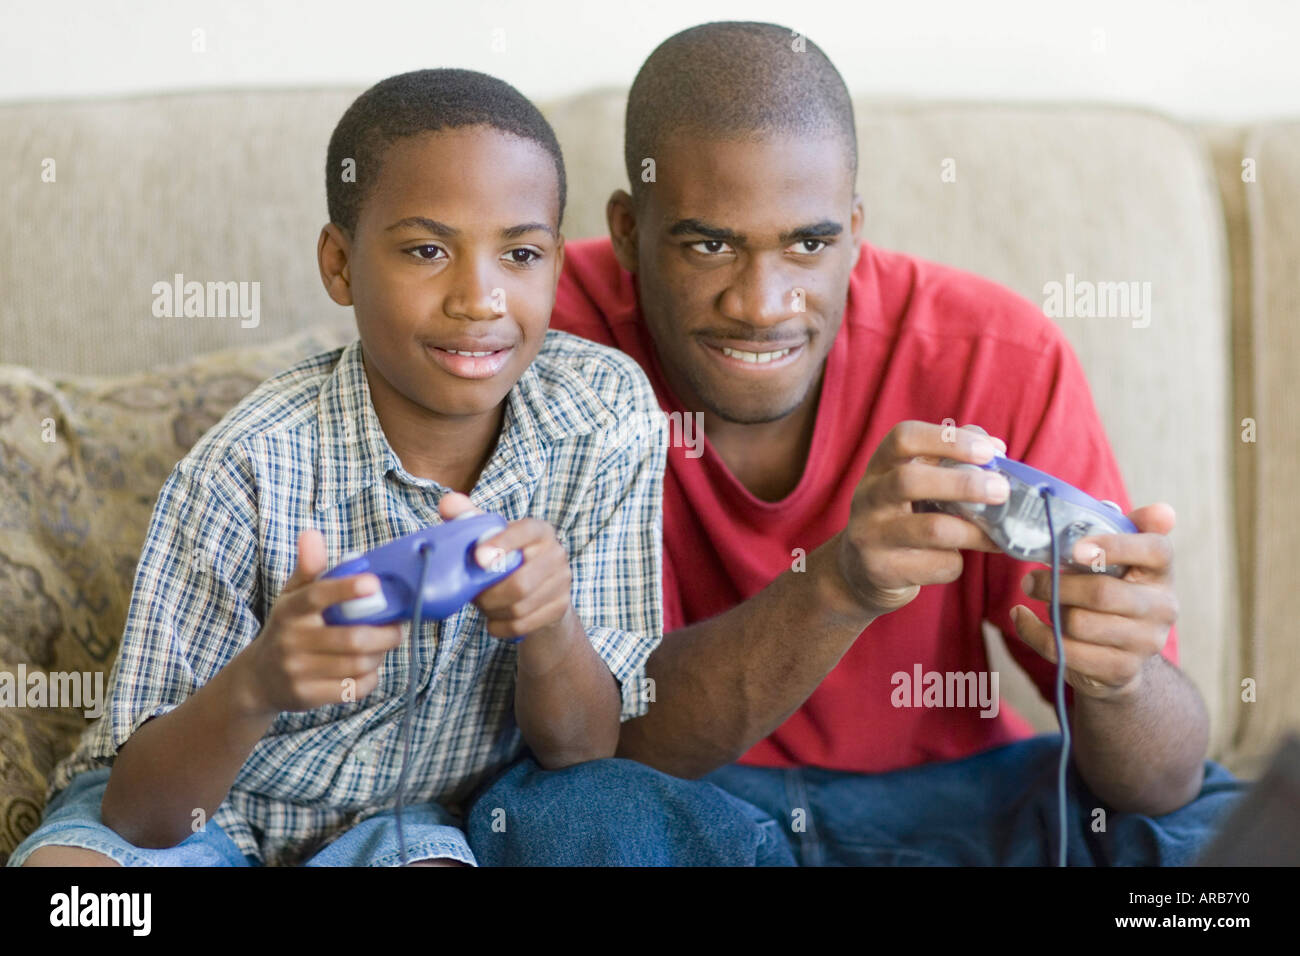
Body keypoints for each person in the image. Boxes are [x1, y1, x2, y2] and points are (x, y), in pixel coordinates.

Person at [466, 22, 1246, 866]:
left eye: (809, 243)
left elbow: (1162, 784)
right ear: (627, 232)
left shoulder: (991, 351)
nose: (764, 305)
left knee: (1223, 832)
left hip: (960, 806)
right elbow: (601, 738)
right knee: (552, 817)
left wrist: (1122, 678)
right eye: (709, 244)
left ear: (856, 228)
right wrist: (838, 585)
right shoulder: (539, 341)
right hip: (690, 811)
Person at [12, 68, 686, 867]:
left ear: (557, 265)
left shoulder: (604, 417)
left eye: (520, 253)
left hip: (404, 821)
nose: (480, 298)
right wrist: (258, 684)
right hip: (203, 805)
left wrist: (550, 626)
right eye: (427, 250)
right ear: (339, 265)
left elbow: (582, 753)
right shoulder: (246, 468)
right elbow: (140, 814)